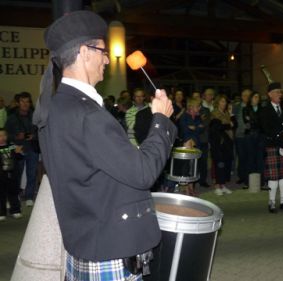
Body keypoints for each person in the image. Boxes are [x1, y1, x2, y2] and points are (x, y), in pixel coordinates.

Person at [33, 11, 177, 281]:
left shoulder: (55, 108)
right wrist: (160, 120)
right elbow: (143, 172)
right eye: (102, 51)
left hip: (87, 242)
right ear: (85, 53)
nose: (108, 60)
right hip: (112, 249)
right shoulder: (87, 114)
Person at [259, 82, 283, 213]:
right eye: (276, 92)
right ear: (269, 94)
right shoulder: (264, 111)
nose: (279, 94)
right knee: (274, 176)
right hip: (273, 145)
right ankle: (271, 202)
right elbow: (267, 129)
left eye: (280, 92)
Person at [5, 91, 39, 207]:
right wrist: (16, 136)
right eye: (22, 101)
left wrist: (34, 136)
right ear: (18, 103)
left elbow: (41, 131)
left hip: (32, 149)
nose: (25, 104)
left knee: (32, 174)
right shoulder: (12, 118)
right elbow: (6, 135)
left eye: (27, 101)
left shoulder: (35, 116)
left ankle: (29, 196)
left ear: (30, 103)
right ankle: (15, 196)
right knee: (16, 175)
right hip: (17, 149)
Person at [178, 97, 204, 196]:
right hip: (187, 142)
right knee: (186, 166)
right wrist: (195, 128)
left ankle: (191, 186)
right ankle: (186, 188)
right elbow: (184, 130)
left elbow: (202, 128)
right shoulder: (184, 116)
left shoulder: (197, 117)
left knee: (194, 166)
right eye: (198, 106)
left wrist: (193, 128)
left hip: (196, 142)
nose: (199, 108)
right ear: (191, 107)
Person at [209, 94, 234, 196]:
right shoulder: (214, 113)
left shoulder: (226, 113)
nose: (224, 104)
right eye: (222, 101)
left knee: (225, 163)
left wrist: (228, 124)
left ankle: (222, 185)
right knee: (218, 164)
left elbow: (233, 124)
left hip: (226, 142)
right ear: (217, 102)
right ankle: (217, 186)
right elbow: (217, 128)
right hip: (217, 143)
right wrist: (228, 125)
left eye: (225, 102)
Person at [0, 128, 23, 220]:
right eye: (0, 136)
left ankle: (16, 210)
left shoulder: (11, 146)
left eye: (4, 135)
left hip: (12, 174)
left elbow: (19, 157)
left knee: (13, 192)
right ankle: (2, 212)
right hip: (1, 175)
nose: (2, 137)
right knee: (1, 194)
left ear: (6, 136)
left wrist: (19, 152)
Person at [234, 89, 252, 188]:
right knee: (241, 157)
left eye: (248, 95)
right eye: (244, 95)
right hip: (239, 135)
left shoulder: (252, 107)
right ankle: (241, 176)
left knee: (249, 156)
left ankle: (248, 177)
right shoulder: (236, 107)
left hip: (249, 136)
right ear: (241, 97)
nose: (246, 97)